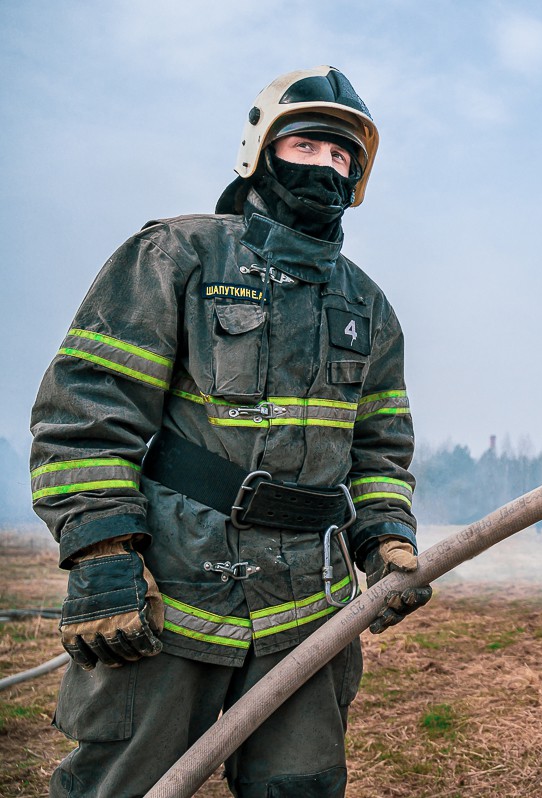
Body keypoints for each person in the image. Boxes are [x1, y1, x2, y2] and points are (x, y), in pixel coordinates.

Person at [30, 66, 430, 797]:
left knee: (300, 788)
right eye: (307, 145)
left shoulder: (366, 306)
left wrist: (385, 533)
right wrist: (102, 552)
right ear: (260, 150)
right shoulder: (176, 255)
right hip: (170, 593)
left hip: (307, 609)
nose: (325, 168)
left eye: (343, 157)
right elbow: (88, 410)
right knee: (120, 786)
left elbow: (380, 447)